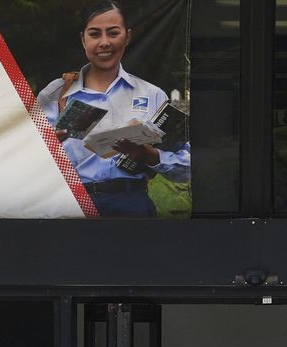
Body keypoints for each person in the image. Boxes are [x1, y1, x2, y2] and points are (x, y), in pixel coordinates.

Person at [36, 0, 189, 217]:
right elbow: (24, 161)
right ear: (83, 39)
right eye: (95, 34)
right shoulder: (56, 92)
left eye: (113, 33)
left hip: (132, 204)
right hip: (72, 205)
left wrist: (151, 155)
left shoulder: (152, 94)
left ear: (127, 36)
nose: (104, 42)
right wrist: (47, 146)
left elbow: (187, 166)